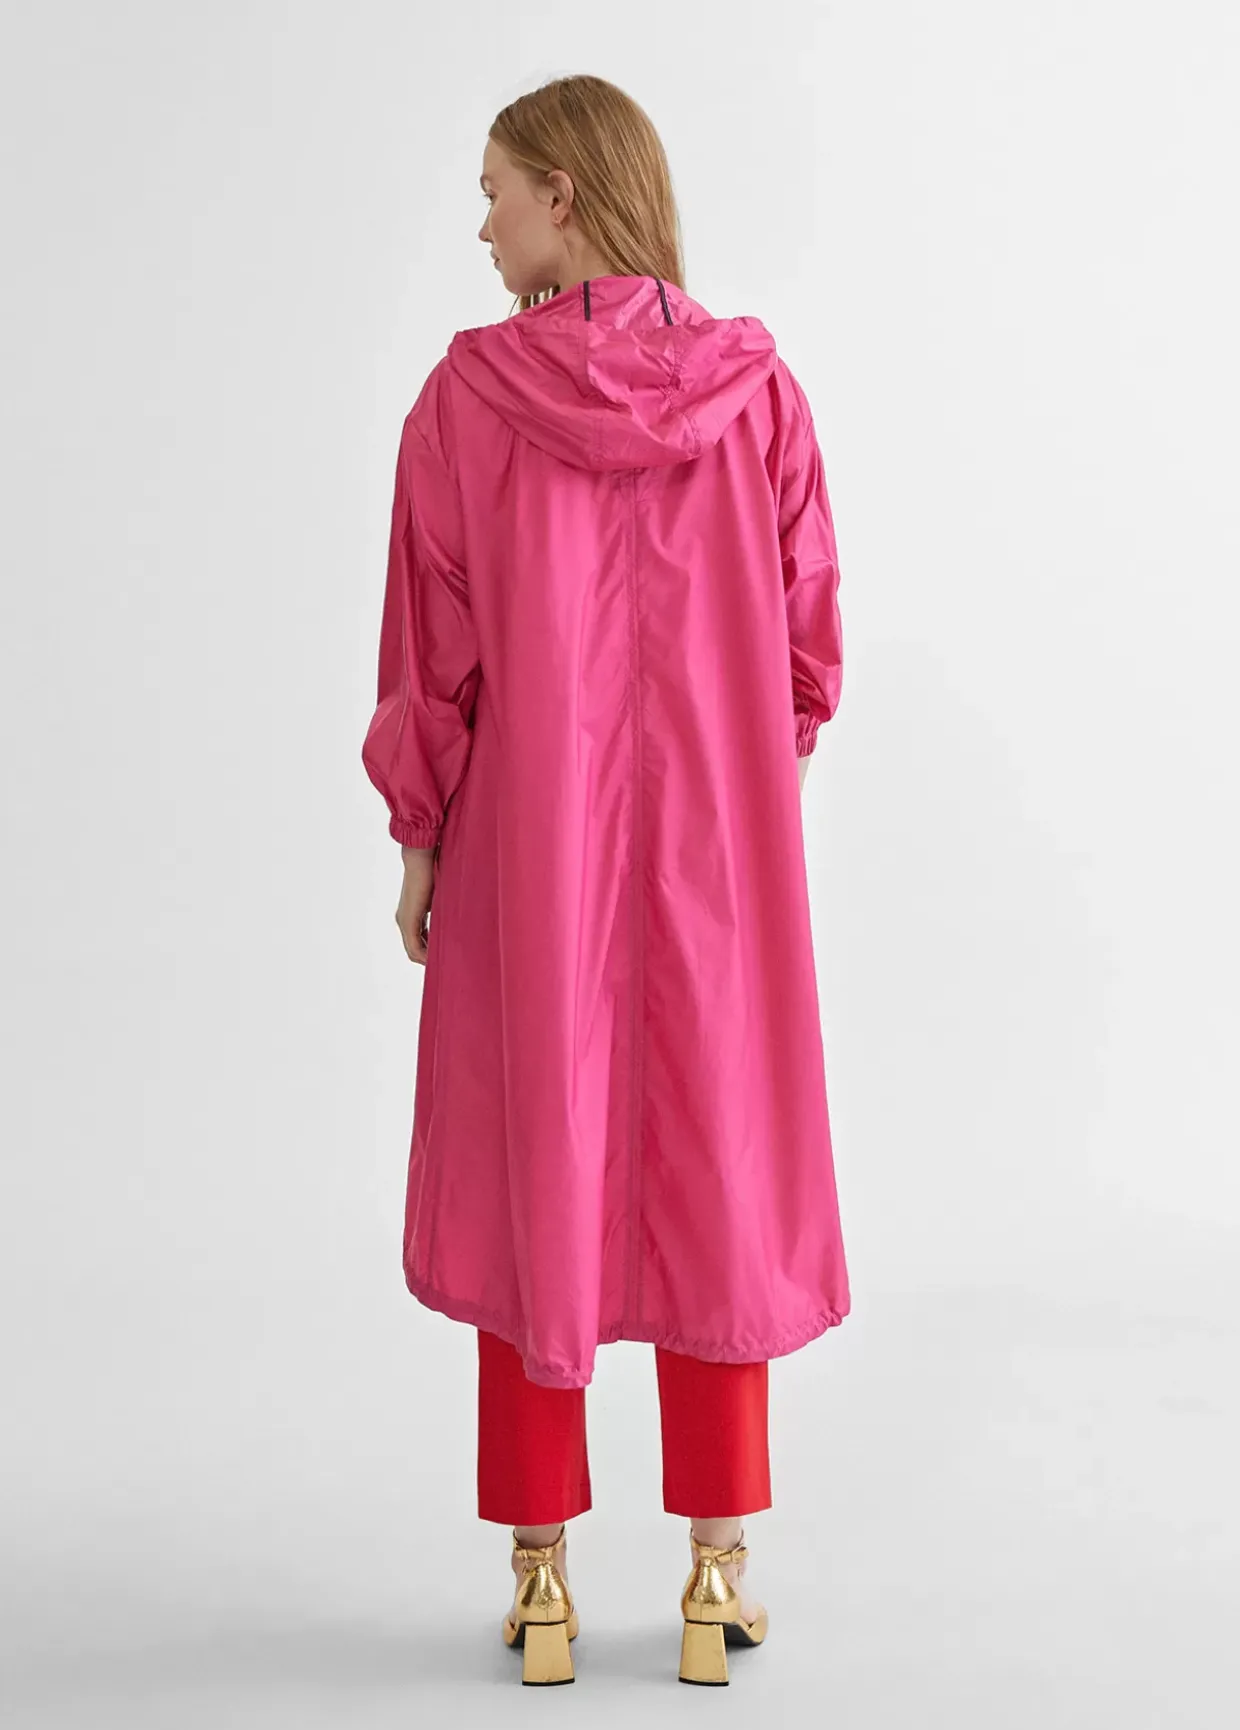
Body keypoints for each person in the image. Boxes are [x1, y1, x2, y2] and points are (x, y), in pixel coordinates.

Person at [361, 72, 850, 1687]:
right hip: (719, 858)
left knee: (536, 1167)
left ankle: (543, 1583)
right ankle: (715, 1574)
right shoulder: (757, 394)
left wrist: (423, 835)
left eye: (495, 189)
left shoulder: (466, 404)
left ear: (563, 193)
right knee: (716, 1172)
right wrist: (735, 782)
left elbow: (431, 652)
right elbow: (807, 650)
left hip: (530, 853)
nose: (483, 224)